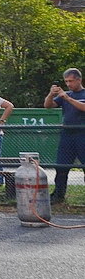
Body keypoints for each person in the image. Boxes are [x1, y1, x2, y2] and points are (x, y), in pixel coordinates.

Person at [45, 67, 85, 204]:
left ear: (79, 80)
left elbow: (83, 107)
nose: (68, 84)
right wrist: (51, 94)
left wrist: (67, 98)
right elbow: (48, 106)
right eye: (66, 81)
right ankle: (58, 195)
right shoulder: (65, 95)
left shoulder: (80, 94)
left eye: (71, 81)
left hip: (82, 135)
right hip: (67, 135)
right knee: (61, 166)